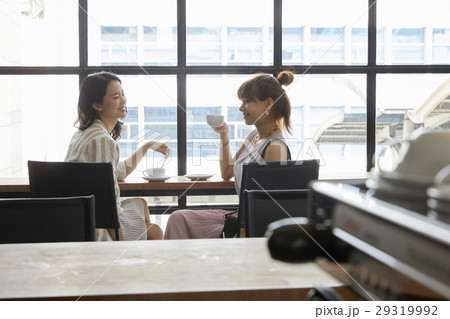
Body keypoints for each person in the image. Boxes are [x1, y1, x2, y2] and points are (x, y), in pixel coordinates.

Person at [164, 71, 294, 239]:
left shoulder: (275, 148)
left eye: (247, 101)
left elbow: (269, 208)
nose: (241, 108)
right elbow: (227, 171)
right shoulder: (254, 136)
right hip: (240, 218)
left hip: (250, 227)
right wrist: (223, 135)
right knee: (178, 218)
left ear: (268, 103)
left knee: (180, 221)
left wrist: (240, 235)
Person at [65, 71, 170, 241]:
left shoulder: (84, 133)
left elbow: (118, 172)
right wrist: (119, 241)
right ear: (97, 105)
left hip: (83, 217)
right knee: (155, 231)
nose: (124, 101)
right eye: (116, 97)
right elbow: (106, 201)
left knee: (141, 204)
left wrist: (146, 146)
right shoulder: (101, 140)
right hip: (97, 228)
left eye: (123, 94)